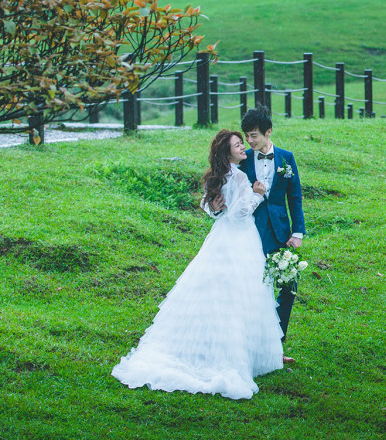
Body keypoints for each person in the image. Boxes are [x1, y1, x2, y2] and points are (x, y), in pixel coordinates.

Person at [111, 129, 286, 399]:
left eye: (242, 144)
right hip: (239, 238)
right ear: (227, 152)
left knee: (217, 288)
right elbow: (239, 213)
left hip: (221, 237)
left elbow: (210, 209)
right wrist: (258, 195)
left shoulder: (215, 177)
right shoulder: (238, 176)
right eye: (238, 145)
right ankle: (234, 356)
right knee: (240, 292)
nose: (243, 148)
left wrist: (218, 209)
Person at [234, 107, 305, 362]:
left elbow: (294, 198)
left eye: (254, 135)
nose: (249, 141)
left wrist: (297, 233)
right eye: (247, 136)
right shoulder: (242, 160)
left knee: (289, 287)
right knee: (251, 289)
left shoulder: (286, 158)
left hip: (280, 233)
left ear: (268, 132)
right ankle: (247, 347)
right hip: (249, 232)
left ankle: (276, 345)